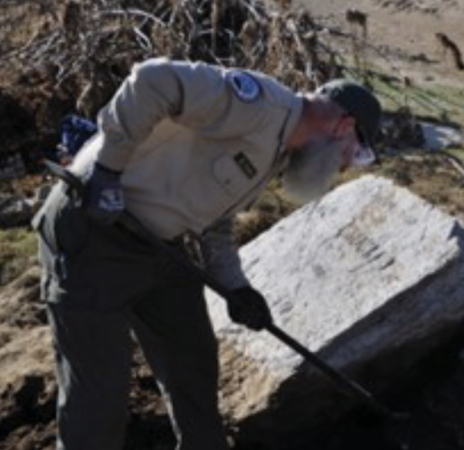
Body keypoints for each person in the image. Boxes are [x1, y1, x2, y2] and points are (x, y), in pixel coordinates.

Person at [32, 57, 382, 450]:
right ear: (344, 126)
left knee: (193, 366)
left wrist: (237, 288)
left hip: (160, 247)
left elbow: (216, 220)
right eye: (358, 153)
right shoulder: (259, 105)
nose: (348, 165)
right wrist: (108, 171)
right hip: (95, 233)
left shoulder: (278, 151)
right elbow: (153, 79)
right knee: (97, 400)